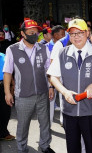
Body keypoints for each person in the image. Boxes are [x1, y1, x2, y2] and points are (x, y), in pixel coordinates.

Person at [47, 18, 92, 153]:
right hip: (69, 110)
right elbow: (53, 76)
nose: (76, 37)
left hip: (90, 110)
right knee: (72, 148)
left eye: (79, 33)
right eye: (72, 34)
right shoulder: (63, 53)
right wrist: (64, 92)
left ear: (87, 33)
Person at [3, 18, 55, 153]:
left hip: (42, 92)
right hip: (24, 95)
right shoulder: (12, 49)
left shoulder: (43, 48)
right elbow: (7, 72)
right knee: (23, 125)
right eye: (31, 32)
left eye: (36, 32)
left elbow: (49, 70)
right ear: (23, 34)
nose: (35, 35)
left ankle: (44, 146)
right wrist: (8, 93)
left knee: (45, 123)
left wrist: (51, 86)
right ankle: (22, 148)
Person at [0, 52, 15, 141]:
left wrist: (13, 85)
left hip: (3, 85)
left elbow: (9, 72)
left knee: (5, 111)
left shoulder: (4, 56)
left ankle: (3, 132)